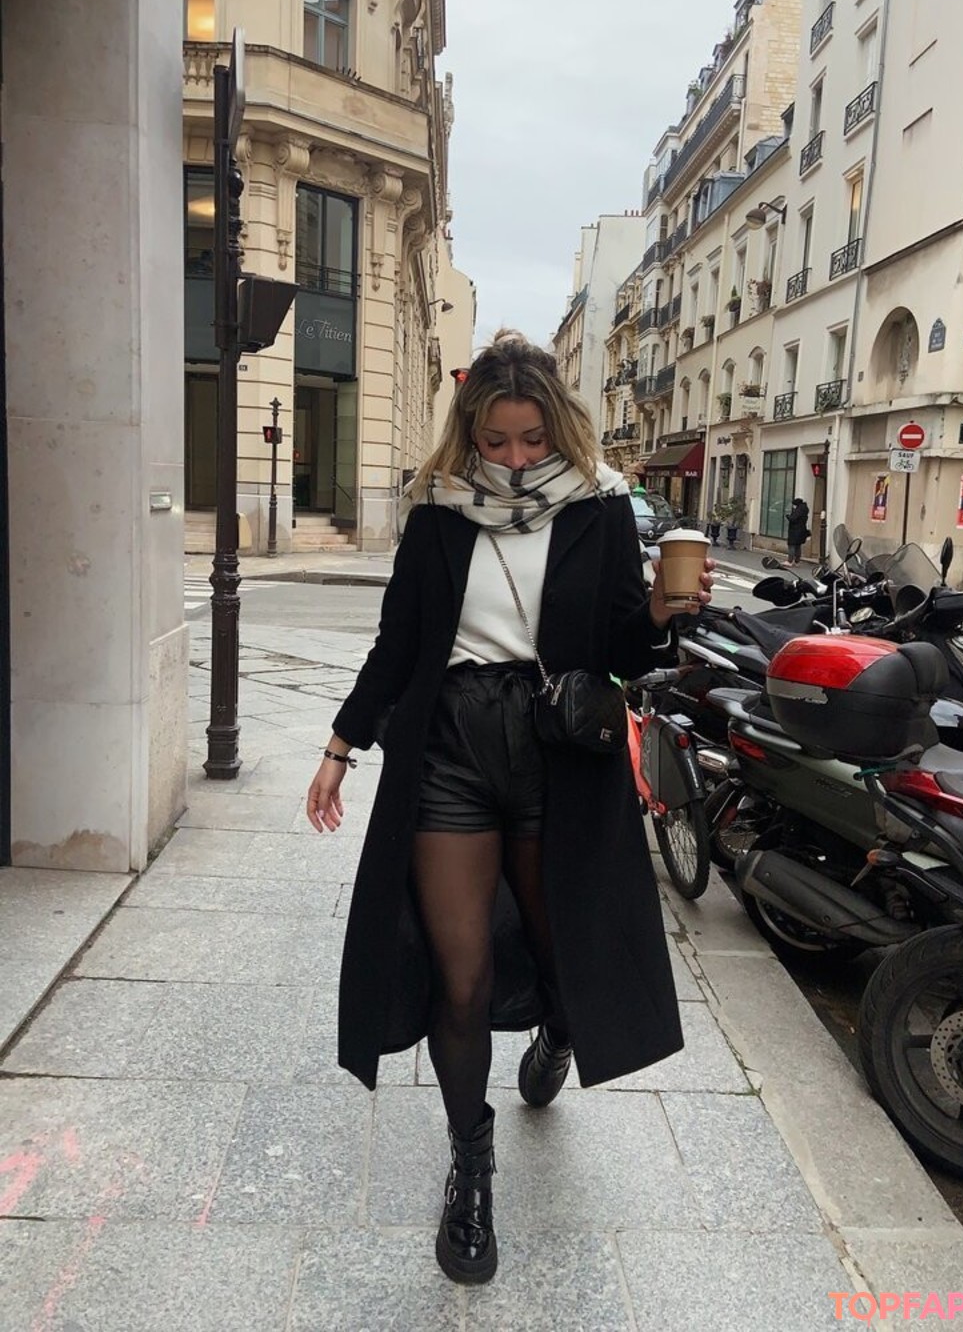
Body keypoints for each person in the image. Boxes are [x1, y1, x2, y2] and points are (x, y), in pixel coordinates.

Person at [305, 330, 710, 1286]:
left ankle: (560, 1027)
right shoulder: (438, 512)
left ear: (557, 427)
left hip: (555, 747)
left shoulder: (598, 509)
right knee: (462, 975)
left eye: (533, 439)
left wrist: (658, 615)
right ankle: (471, 1163)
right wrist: (340, 745)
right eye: (497, 440)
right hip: (448, 747)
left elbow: (619, 648)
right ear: (471, 431)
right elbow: (399, 642)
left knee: (566, 944)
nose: (517, 458)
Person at [785, 496, 810, 564]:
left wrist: (788, 516)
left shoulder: (798, 511)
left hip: (795, 530)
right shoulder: (804, 510)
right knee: (798, 546)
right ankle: (797, 561)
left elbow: (793, 519)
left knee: (792, 545)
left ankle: (790, 561)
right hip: (801, 530)